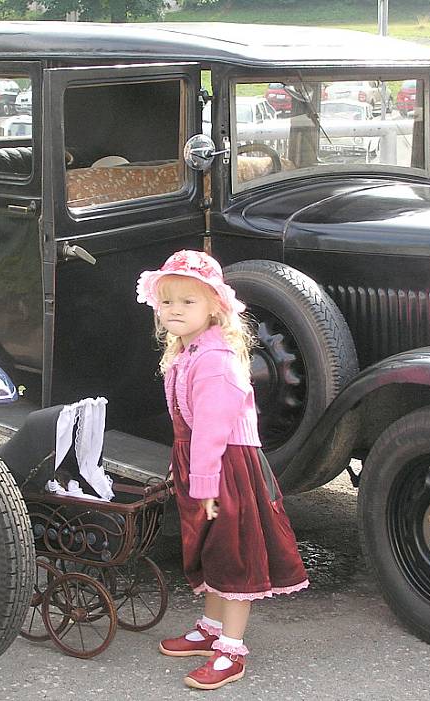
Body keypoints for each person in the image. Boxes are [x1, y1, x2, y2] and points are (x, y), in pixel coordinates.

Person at [136, 250, 309, 691]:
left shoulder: (215, 361)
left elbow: (213, 430)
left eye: (187, 302)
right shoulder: (190, 349)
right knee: (212, 548)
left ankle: (231, 648)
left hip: (226, 467)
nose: (174, 310)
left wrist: (205, 483)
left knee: (234, 554)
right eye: (168, 301)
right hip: (206, 463)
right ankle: (211, 627)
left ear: (214, 307)